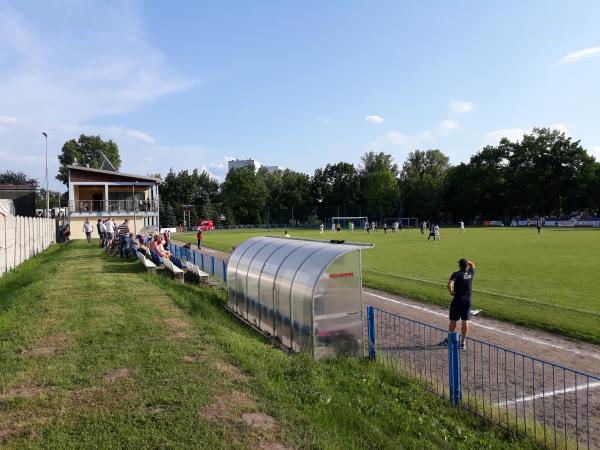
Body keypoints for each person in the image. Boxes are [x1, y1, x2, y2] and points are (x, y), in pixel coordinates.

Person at [445, 258, 475, 349]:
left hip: (457, 301)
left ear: (459, 265)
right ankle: (463, 343)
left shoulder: (456, 274)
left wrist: (451, 292)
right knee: (465, 322)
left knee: (453, 321)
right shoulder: (471, 273)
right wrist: (467, 261)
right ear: (467, 265)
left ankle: (450, 340)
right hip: (467, 301)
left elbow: (449, 284)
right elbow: (473, 265)